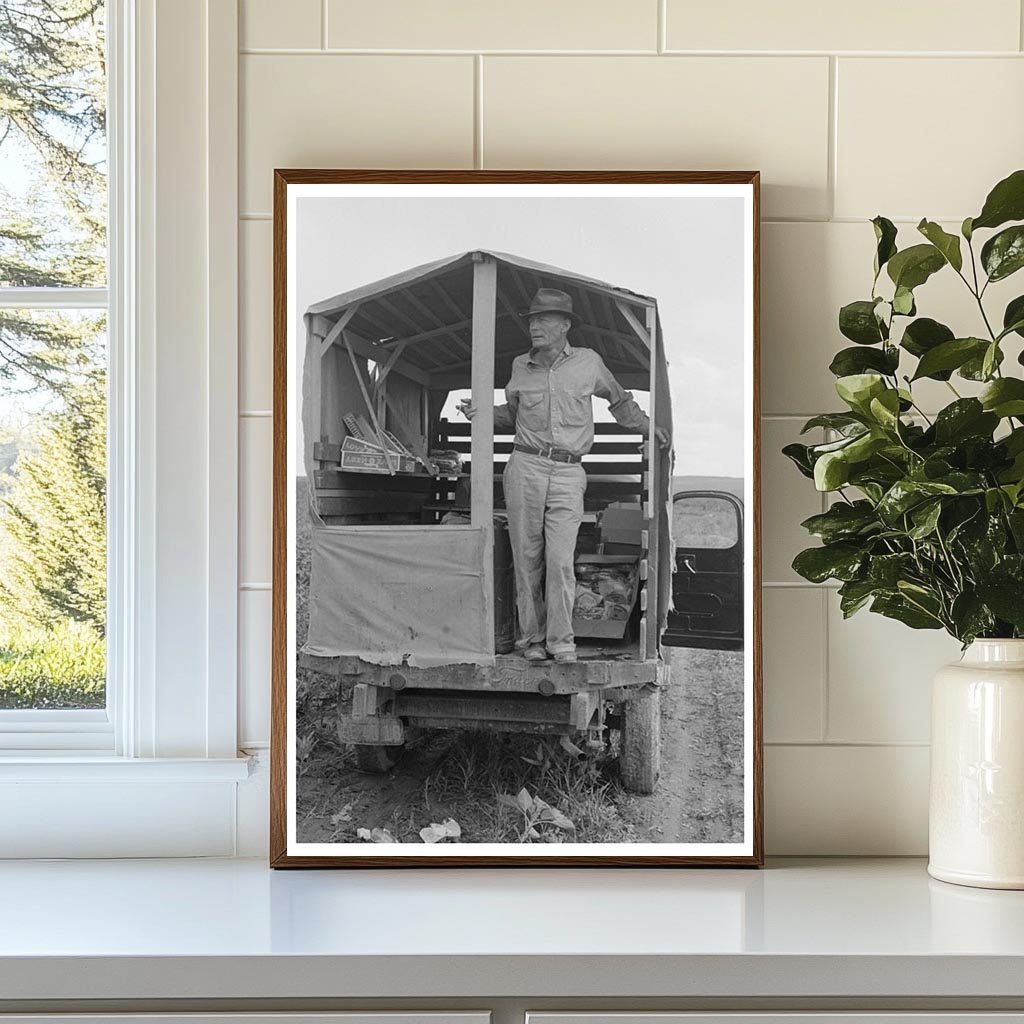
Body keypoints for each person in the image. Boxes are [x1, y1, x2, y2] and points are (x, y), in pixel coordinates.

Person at [460, 287, 669, 665]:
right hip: (525, 468)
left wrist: (649, 427)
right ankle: (532, 640)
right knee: (527, 559)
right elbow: (511, 416)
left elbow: (619, 401)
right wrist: (481, 412)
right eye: (532, 320)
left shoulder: (588, 362)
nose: (535, 327)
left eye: (543, 319)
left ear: (565, 325)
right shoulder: (520, 367)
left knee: (559, 559)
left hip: (569, 472)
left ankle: (561, 641)